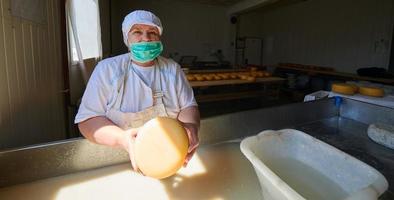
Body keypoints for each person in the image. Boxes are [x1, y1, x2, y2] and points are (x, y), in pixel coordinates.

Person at [75, 10, 200, 171]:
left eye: (152, 32)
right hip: (116, 161)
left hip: (169, 156)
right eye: (137, 32)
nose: (146, 38)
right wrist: (123, 139)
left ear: (159, 37)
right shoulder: (107, 70)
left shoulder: (172, 69)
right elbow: (87, 120)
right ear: (127, 38)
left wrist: (190, 126)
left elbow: (188, 106)